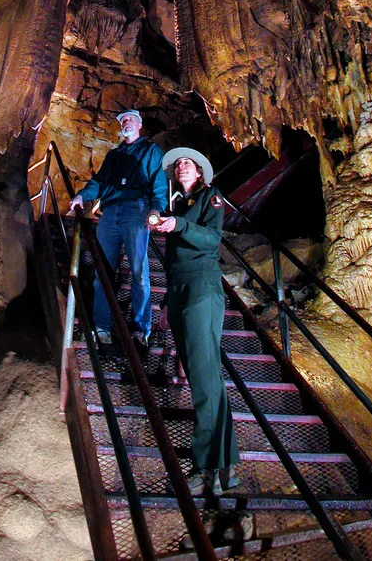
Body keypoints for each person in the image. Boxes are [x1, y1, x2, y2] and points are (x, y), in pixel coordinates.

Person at [151, 147, 241, 497]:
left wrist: (180, 224)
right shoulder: (177, 206)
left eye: (188, 162)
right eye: (177, 164)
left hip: (203, 286)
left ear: (200, 171)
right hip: (178, 289)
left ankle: (205, 465)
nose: (181, 165)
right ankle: (226, 461)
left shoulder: (210, 198)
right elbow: (173, 258)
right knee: (204, 377)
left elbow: (211, 238)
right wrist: (164, 301)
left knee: (204, 378)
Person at [69, 110, 168, 348]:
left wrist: (156, 209)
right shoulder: (113, 155)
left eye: (130, 119)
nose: (126, 122)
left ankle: (140, 328)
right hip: (111, 210)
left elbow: (158, 181)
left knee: (139, 271)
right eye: (123, 120)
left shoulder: (151, 151)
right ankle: (102, 327)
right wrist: (83, 196)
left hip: (137, 209)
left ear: (140, 125)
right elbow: (100, 181)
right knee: (102, 270)